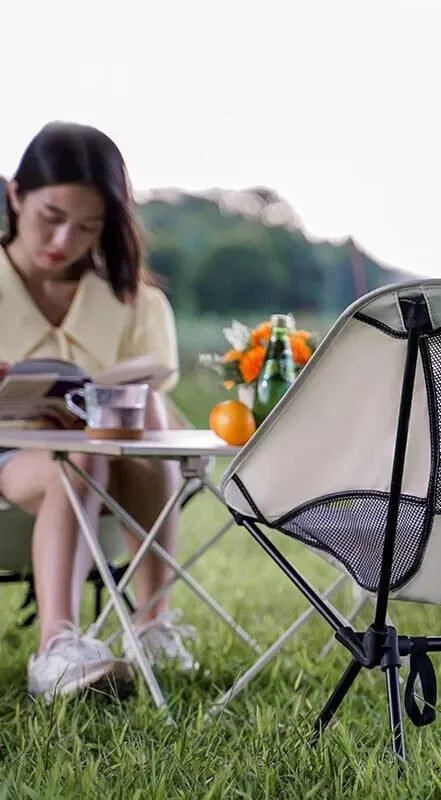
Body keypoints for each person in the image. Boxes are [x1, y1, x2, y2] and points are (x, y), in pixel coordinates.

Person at [0, 121, 196, 701]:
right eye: (51, 217)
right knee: (78, 461)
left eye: (87, 227)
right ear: (16, 196)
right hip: (13, 455)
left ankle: (151, 622)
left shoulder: (136, 301)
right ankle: (57, 647)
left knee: (143, 408)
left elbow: (146, 387)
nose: (64, 240)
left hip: (112, 459)